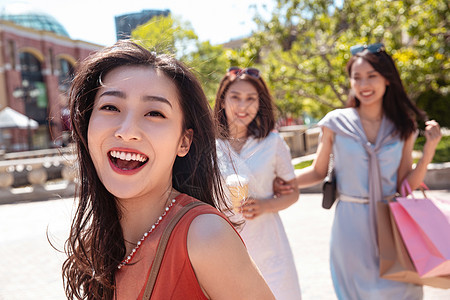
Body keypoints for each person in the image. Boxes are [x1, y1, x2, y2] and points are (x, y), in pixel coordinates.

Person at [62, 40, 275, 300]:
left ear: (184, 141)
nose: (127, 131)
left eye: (154, 113)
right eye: (110, 107)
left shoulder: (204, 236)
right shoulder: (96, 242)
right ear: (86, 125)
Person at [275, 43, 442, 299]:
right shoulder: (335, 122)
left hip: (392, 224)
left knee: (402, 291)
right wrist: (284, 183)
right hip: (350, 227)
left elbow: (404, 185)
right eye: (357, 77)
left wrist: (430, 149)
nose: (364, 84)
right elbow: (318, 171)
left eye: (371, 76)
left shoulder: (403, 126)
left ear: (387, 79)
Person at [213, 67, 302, 299]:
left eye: (251, 99)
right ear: (222, 99)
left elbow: (292, 194)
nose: (243, 106)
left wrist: (265, 205)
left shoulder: (272, 143)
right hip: (222, 244)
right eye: (235, 97)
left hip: (268, 242)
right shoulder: (207, 146)